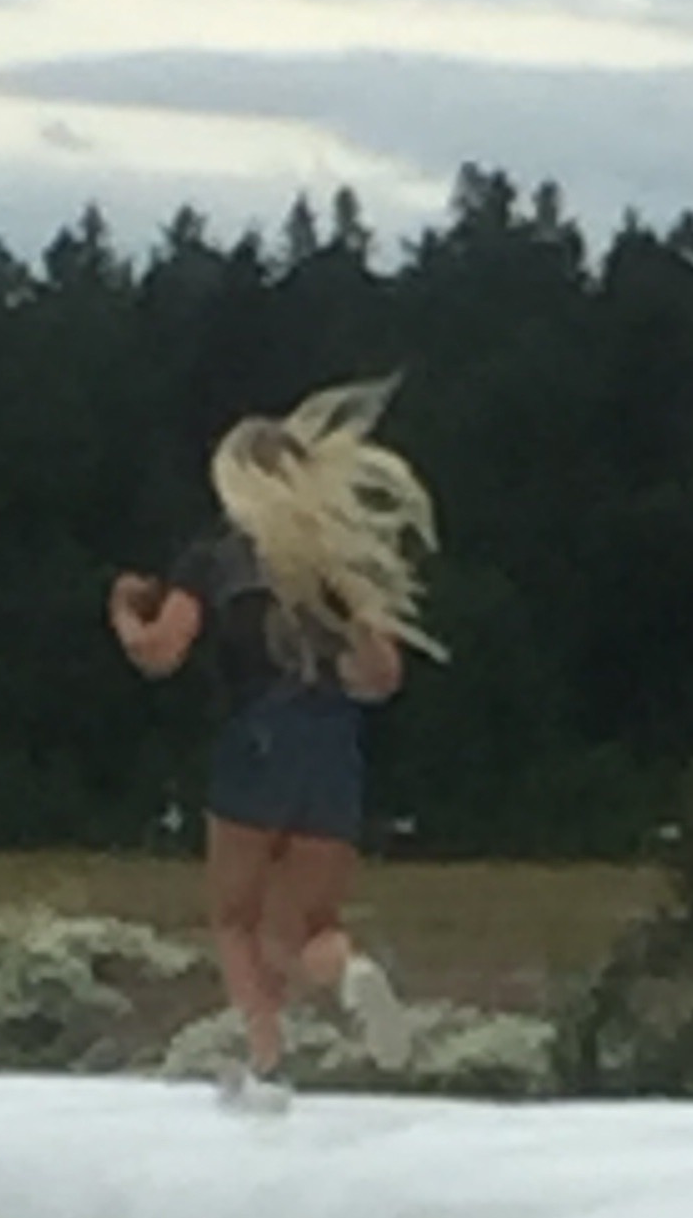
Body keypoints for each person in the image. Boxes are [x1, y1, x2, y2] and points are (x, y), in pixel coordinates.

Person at [108, 377, 442, 1108]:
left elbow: (161, 653)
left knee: (236, 918)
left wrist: (127, 616)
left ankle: (267, 1063)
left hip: (256, 736)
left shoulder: (214, 557)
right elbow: (382, 676)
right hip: (334, 743)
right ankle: (349, 971)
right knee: (311, 929)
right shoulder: (332, 566)